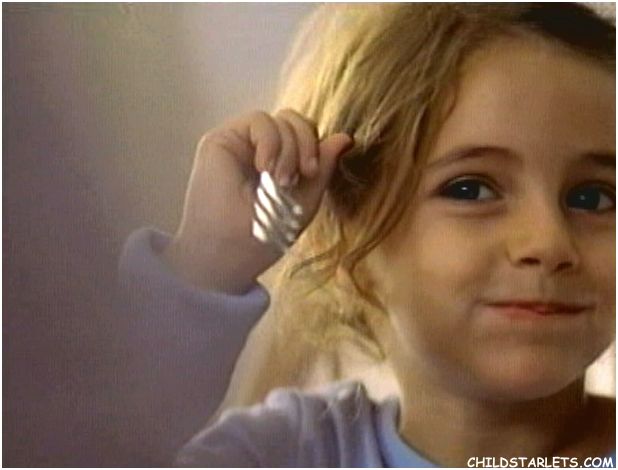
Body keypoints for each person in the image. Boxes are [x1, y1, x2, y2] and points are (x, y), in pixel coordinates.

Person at [118, 3, 616, 467]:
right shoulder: (289, 452)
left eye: (594, 197)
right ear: (349, 236)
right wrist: (207, 268)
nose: (548, 242)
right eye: (471, 189)